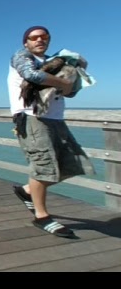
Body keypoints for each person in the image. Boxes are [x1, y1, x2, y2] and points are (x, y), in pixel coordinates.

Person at [8, 25, 94, 238]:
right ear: (26, 42)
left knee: (71, 164)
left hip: (55, 119)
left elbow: (70, 92)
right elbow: (32, 75)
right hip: (31, 118)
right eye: (34, 37)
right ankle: (41, 216)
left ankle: (27, 190)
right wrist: (63, 82)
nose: (39, 40)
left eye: (44, 37)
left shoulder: (58, 62)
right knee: (44, 166)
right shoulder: (22, 56)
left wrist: (69, 80)